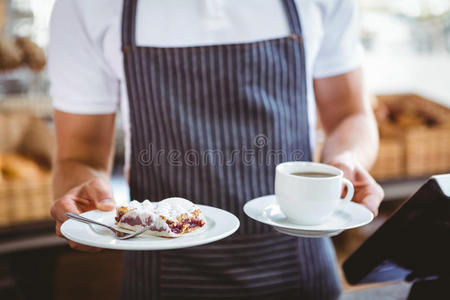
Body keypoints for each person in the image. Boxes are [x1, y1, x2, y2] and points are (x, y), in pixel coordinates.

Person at [49, 0, 384, 299]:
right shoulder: (86, 5)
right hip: (160, 276)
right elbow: (79, 152)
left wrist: (347, 160)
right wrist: (81, 197)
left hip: (301, 270)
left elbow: (349, 113)